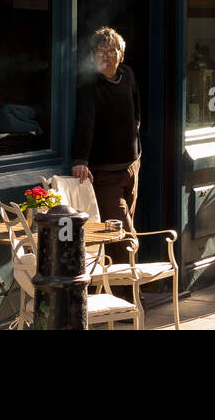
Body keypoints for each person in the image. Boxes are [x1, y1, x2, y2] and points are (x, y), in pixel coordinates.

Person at [72, 27, 142, 264]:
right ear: (92, 56)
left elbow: (137, 111)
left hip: (131, 167)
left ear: (121, 55)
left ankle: (113, 279)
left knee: (119, 229)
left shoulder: (127, 75)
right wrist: (81, 160)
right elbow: (85, 123)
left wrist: (135, 147)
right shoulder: (90, 84)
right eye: (100, 51)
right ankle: (131, 283)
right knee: (124, 235)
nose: (106, 56)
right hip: (105, 173)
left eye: (112, 51)